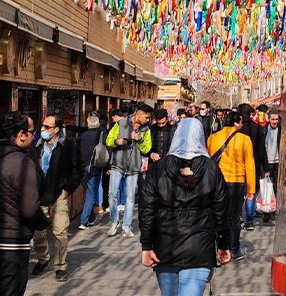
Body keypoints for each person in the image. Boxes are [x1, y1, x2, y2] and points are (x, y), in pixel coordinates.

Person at [140, 118, 232, 296]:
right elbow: (221, 211)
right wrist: (223, 244)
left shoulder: (159, 168)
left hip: (165, 247)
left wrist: (146, 246)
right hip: (200, 249)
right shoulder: (212, 169)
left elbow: (147, 209)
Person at [0, 112, 49, 296]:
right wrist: (44, 221)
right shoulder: (22, 163)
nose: (34, 136)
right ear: (21, 134)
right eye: (32, 132)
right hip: (10, 246)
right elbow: (29, 209)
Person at [31, 114, 82, 282]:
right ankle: (43, 258)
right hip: (39, 195)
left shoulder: (68, 146)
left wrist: (67, 190)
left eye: (47, 126)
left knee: (60, 232)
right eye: (43, 125)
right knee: (38, 233)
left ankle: (60, 266)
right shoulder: (36, 145)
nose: (43, 129)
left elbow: (77, 170)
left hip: (59, 194)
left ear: (56, 129)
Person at [207, 111, 256, 261]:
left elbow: (208, 161)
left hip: (217, 182)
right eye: (241, 122)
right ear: (237, 122)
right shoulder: (245, 139)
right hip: (237, 182)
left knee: (218, 216)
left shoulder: (212, 138)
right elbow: (250, 165)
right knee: (235, 218)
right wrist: (251, 189)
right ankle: (234, 249)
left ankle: (219, 249)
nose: (242, 125)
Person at [106, 103, 153, 237]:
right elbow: (108, 140)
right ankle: (114, 221)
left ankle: (127, 226)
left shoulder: (146, 130)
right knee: (112, 194)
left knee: (130, 198)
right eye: (147, 117)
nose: (148, 120)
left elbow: (147, 149)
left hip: (134, 167)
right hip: (118, 164)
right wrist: (117, 141)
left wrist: (140, 139)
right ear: (138, 113)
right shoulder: (121, 123)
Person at [237, 104, 267, 231]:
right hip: (253, 164)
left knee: (238, 192)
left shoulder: (237, 129)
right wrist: (266, 168)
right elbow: (262, 149)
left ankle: (238, 217)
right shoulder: (257, 128)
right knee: (251, 192)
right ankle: (249, 220)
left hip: (238, 164)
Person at [78, 112, 104, 230]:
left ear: (88, 124)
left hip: (83, 166)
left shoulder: (82, 136)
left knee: (88, 192)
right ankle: (83, 220)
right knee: (91, 193)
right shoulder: (100, 135)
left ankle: (91, 218)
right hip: (95, 166)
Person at [261, 111, 282, 223]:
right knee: (267, 189)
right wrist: (265, 168)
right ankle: (266, 213)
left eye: (276, 119)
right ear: (268, 119)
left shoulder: (281, 130)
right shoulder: (263, 130)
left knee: (276, 188)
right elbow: (261, 149)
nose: (274, 122)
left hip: (278, 162)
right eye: (273, 119)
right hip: (267, 162)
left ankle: (274, 211)